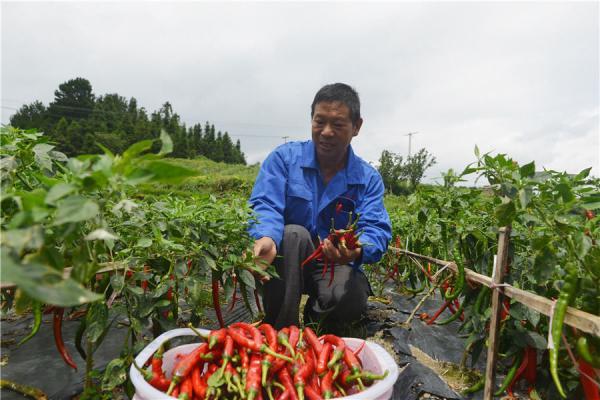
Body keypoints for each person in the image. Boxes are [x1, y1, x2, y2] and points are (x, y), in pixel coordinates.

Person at [248, 83, 392, 333]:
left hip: (333, 263)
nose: (326, 132)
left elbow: (376, 228)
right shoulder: (284, 159)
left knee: (351, 297)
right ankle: (282, 330)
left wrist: (357, 250)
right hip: (288, 262)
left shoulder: (367, 178)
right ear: (311, 120)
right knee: (292, 234)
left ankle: (317, 327)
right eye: (319, 122)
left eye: (337, 125)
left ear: (356, 127)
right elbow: (265, 204)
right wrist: (266, 236)